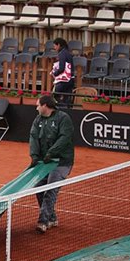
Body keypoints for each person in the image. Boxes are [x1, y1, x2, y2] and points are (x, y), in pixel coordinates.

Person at [29, 95, 75, 234]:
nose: (36, 108)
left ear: (45, 106)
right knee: (38, 188)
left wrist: (51, 153)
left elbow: (65, 138)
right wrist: (35, 156)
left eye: (38, 105)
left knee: (50, 190)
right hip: (45, 163)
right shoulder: (38, 119)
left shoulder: (63, 118)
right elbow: (33, 136)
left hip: (61, 161)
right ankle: (52, 217)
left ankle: (43, 222)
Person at [50, 37, 74, 109]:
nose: (54, 48)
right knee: (67, 98)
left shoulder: (62, 54)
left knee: (54, 95)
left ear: (59, 45)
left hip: (64, 80)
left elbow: (61, 68)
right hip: (71, 79)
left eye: (55, 46)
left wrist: (55, 73)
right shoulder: (68, 53)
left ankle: (60, 110)